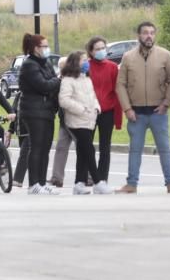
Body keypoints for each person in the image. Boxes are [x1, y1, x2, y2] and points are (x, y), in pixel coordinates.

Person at [115, 21, 170, 193]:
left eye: (152, 32)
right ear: (139, 35)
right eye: (145, 33)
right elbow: (120, 84)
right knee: (134, 150)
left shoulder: (165, 55)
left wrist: (167, 103)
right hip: (136, 114)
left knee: (164, 149)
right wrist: (127, 109)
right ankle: (132, 184)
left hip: (159, 112)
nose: (149, 36)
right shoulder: (128, 57)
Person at [59, 51, 109, 194]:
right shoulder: (68, 80)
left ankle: (79, 183)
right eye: (83, 60)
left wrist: (96, 107)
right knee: (89, 149)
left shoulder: (86, 79)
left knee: (82, 151)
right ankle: (98, 181)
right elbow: (64, 100)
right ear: (75, 62)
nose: (87, 63)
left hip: (89, 119)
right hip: (76, 120)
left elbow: (93, 96)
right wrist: (82, 109)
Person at [18, 33, 61, 194]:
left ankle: (42, 183)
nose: (47, 49)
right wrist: (57, 80)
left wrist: (55, 82)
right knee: (36, 147)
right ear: (36, 48)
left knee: (45, 147)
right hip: (34, 111)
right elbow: (44, 85)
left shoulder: (45, 63)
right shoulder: (30, 65)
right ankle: (33, 184)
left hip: (47, 110)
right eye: (44, 46)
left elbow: (52, 82)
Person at [86, 36, 122, 185]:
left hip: (107, 111)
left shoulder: (112, 67)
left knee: (105, 147)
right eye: (98, 49)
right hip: (90, 111)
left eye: (103, 48)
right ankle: (90, 175)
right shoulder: (86, 66)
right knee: (87, 146)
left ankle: (102, 178)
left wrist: (118, 119)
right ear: (91, 51)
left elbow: (117, 92)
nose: (101, 51)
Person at [49, 56, 76, 189]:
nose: (62, 69)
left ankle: (89, 176)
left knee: (84, 149)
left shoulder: (76, 80)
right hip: (64, 121)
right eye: (60, 67)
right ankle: (57, 178)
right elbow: (55, 100)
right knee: (60, 148)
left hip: (77, 120)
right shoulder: (58, 81)